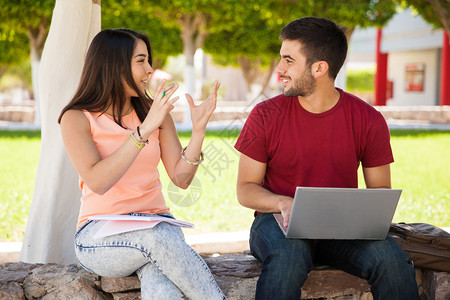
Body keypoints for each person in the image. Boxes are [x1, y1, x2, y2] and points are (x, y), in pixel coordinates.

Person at [234, 17, 419, 300]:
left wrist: (358, 218)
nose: (280, 69)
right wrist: (284, 203)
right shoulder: (265, 116)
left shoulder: (368, 120)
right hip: (277, 223)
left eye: (288, 60)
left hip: (342, 227)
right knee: (288, 258)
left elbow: (380, 191)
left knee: (392, 260)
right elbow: (246, 188)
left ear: (319, 68)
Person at [58, 29, 226, 300]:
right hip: (99, 236)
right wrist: (144, 130)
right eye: (141, 61)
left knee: (162, 285)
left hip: (156, 226)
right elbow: (98, 182)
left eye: (149, 60)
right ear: (114, 64)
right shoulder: (77, 118)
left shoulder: (154, 113)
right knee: (159, 238)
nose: (150, 70)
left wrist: (198, 132)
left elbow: (181, 179)